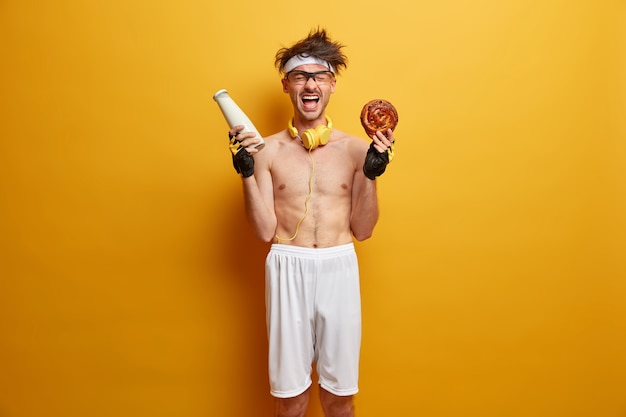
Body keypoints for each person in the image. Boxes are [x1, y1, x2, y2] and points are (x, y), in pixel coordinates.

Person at [226, 28, 395, 417]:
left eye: (318, 75)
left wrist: (371, 174)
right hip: (288, 265)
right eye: (300, 76)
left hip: (338, 265)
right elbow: (264, 231)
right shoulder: (265, 150)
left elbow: (364, 230)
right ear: (286, 85)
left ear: (332, 84)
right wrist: (246, 174)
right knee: (290, 399)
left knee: (340, 397)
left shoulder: (356, 149)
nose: (310, 83)